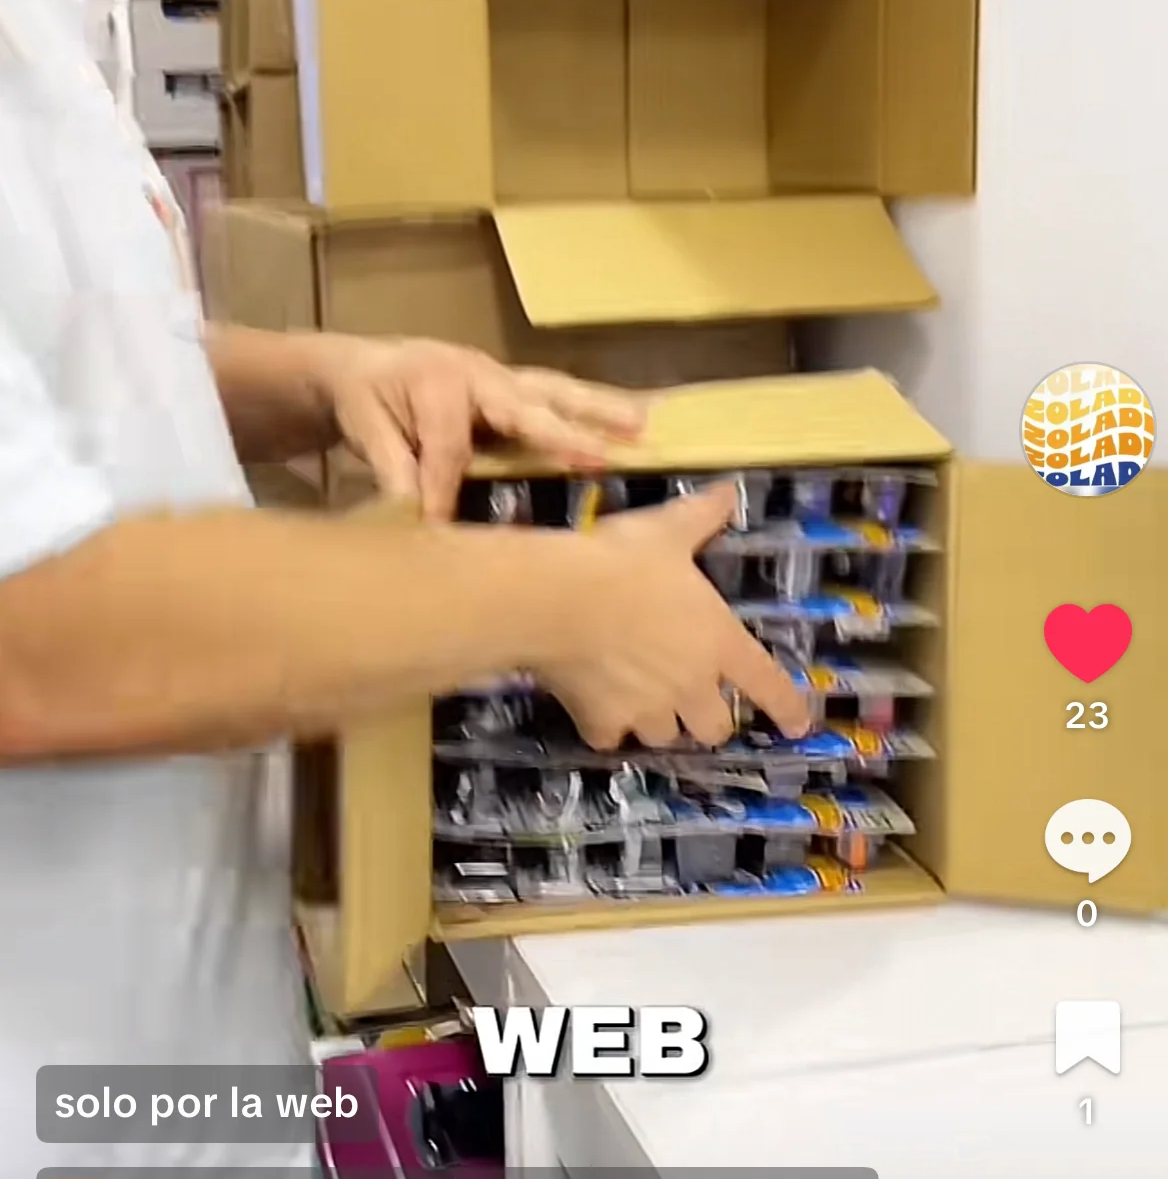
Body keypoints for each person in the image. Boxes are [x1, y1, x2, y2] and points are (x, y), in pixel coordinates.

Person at [0, 0, 809, 1171]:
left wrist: (326, 377)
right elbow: (34, 637)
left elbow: (73, 366)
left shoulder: (53, 33)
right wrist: (556, 598)